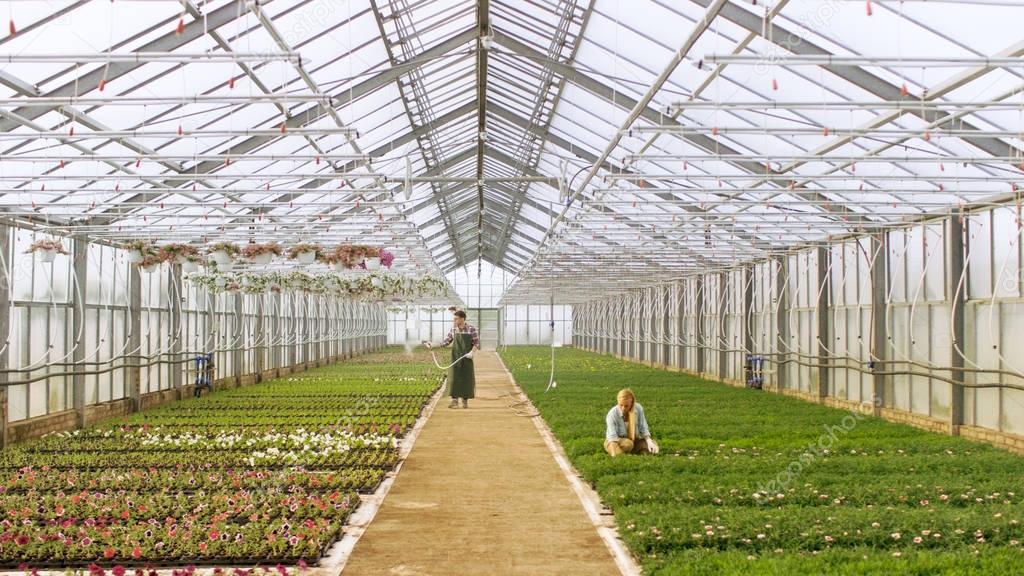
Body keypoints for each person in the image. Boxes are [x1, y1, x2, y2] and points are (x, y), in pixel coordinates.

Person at [426, 310, 480, 408]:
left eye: (456, 319)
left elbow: (476, 343)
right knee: (454, 378)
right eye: (454, 319)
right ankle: (454, 401)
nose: (454, 321)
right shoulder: (454, 329)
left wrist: (472, 352)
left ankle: (465, 401)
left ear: (462, 318)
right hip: (455, 356)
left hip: (467, 357)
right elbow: (446, 342)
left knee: (466, 378)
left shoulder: (471, 329)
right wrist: (433, 345)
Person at [604, 388, 658, 456]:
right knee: (628, 444)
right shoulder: (612, 414)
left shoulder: (638, 408)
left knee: (654, 445)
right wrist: (614, 454)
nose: (623, 408)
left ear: (632, 403)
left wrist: (649, 441)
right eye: (621, 405)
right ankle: (620, 454)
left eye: (626, 406)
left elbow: (643, 427)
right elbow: (612, 437)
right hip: (615, 442)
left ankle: (631, 453)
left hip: (634, 441)